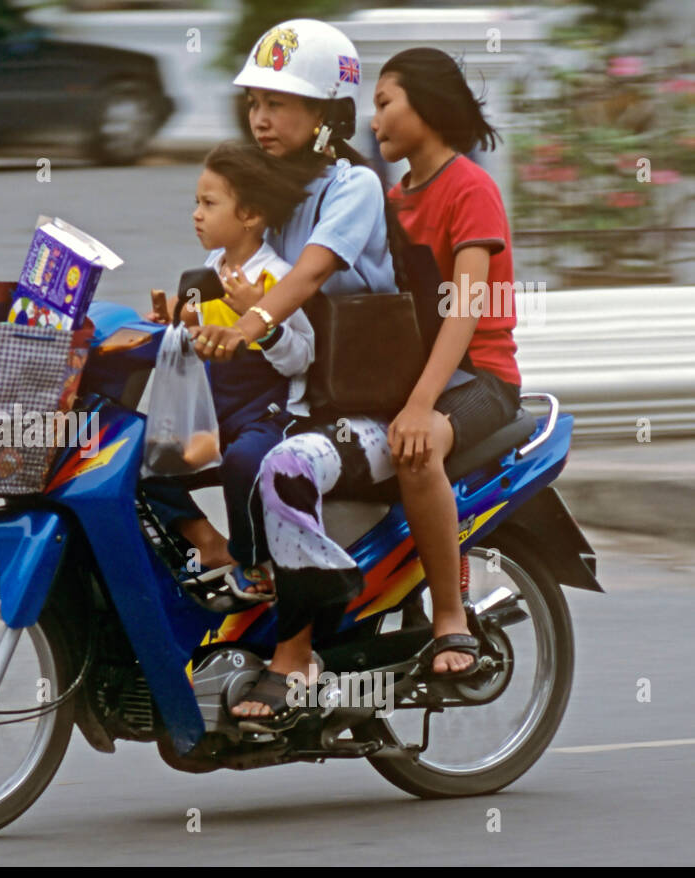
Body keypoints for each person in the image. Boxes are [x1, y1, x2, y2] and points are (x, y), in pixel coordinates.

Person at [182, 19, 406, 721]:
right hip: (291, 384)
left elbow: (307, 275)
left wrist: (252, 321)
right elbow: (232, 255)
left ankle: (294, 655)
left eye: (280, 103)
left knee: (280, 469)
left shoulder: (354, 186)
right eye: (256, 103)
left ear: (327, 114)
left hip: (354, 399)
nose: (262, 117)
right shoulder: (270, 185)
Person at [373, 47, 523, 677]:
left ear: (426, 107)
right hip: (418, 375)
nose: (373, 119)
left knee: (416, 447)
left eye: (385, 104)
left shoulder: (470, 188)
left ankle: (451, 617)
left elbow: (465, 310)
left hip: (483, 378)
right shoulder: (391, 195)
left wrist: (418, 406)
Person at [142, 141, 314, 601]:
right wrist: (179, 326)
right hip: (217, 407)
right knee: (147, 462)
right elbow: (201, 340)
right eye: (196, 203)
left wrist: (262, 318)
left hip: (270, 411)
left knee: (244, 463)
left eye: (209, 204)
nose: (196, 214)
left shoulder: (277, 278)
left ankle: (254, 563)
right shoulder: (208, 272)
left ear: (251, 215)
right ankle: (211, 547)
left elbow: (302, 356)